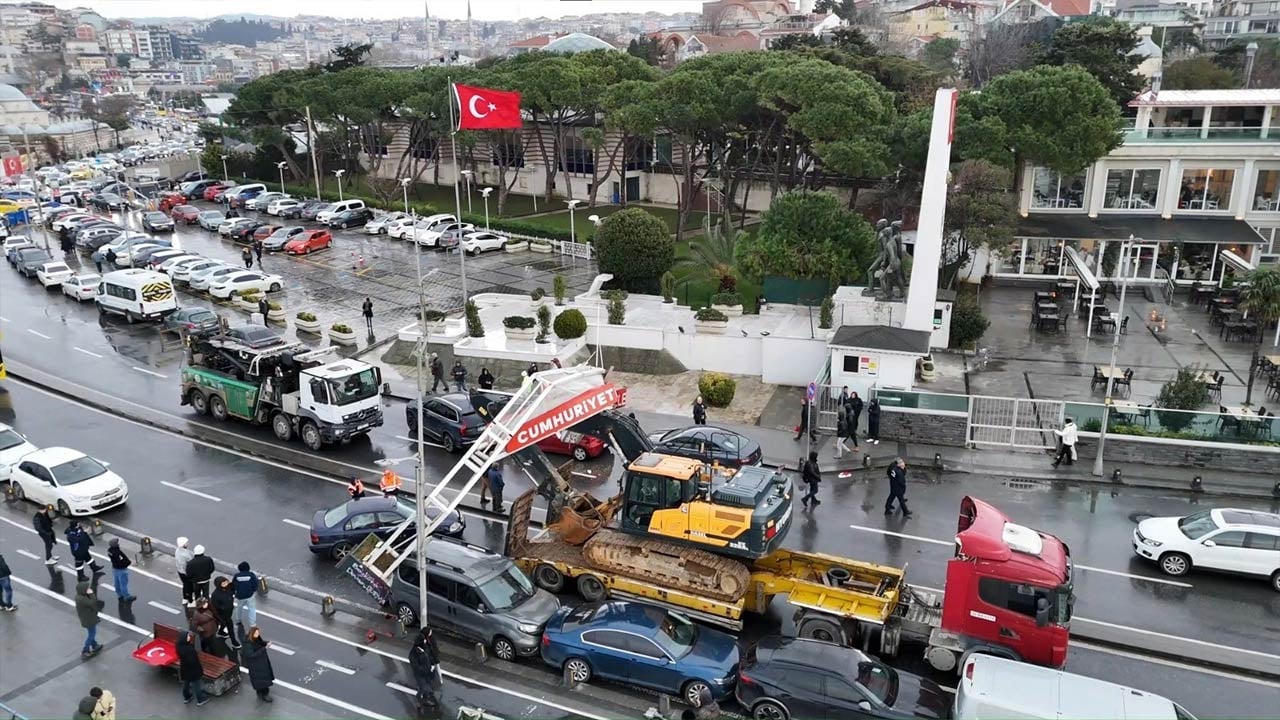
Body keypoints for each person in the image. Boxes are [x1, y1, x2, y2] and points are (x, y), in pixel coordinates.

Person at [408, 626, 442, 715]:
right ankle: (420, 700)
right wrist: (423, 670)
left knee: (425, 686)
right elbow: (415, 665)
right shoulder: (414, 653)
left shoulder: (426, 647)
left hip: (429, 671)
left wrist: (433, 664)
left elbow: (431, 654)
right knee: (425, 687)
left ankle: (424, 698)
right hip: (421, 674)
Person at [241, 626, 276, 703]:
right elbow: (251, 655)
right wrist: (264, 648)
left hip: (260, 662)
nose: (258, 634)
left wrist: (266, 643)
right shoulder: (248, 643)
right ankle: (265, 694)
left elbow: (260, 642)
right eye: (256, 633)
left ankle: (261, 691)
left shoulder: (254, 638)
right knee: (262, 679)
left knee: (261, 679)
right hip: (256, 664)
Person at [176, 631, 209, 706]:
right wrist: (199, 669)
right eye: (188, 636)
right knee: (196, 684)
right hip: (193, 669)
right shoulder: (189, 649)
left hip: (184, 668)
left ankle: (186, 697)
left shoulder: (178, 645)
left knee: (186, 683)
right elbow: (194, 661)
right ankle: (200, 700)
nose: (189, 637)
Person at [75, 580, 104, 658]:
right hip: (89, 620)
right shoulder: (82, 599)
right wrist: (91, 594)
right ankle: (85, 650)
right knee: (92, 634)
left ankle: (94, 645)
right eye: (87, 588)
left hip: (88, 618)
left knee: (91, 633)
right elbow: (92, 602)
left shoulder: (80, 597)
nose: (88, 589)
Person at [232, 561, 259, 635]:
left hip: (240, 595)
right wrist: (253, 590)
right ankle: (252, 624)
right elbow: (255, 584)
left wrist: (235, 593)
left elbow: (234, 585)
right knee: (252, 609)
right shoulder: (251, 575)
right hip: (250, 595)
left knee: (239, 608)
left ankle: (238, 620)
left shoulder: (237, 576)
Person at [210, 577, 237, 647]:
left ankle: (221, 631)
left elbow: (233, 591)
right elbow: (214, 606)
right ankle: (234, 642)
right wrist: (222, 609)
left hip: (229, 611)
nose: (226, 584)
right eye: (224, 583)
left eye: (226, 582)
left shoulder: (230, 587)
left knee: (224, 624)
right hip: (221, 614)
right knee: (230, 626)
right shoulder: (215, 595)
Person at [175, 537, 194, 607]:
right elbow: (189, 563)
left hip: (180, 571)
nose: (188, 543)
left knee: (185, 585)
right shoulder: (185, 554)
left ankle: (185, 598)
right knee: (189, 586)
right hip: (186, 573)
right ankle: (190, 601)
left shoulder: (177, 550)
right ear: (183, 544)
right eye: (186, 543)